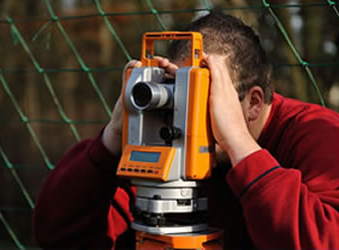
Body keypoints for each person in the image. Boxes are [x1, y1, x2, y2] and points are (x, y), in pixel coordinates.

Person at [32, 11, 339, 249]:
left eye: (201, 97)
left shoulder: (318, 135)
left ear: (253, 103)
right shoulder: (167, 140)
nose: (182, 114)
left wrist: (239, 144)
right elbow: (57, 235)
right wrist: (113, 137)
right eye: (179, 91)